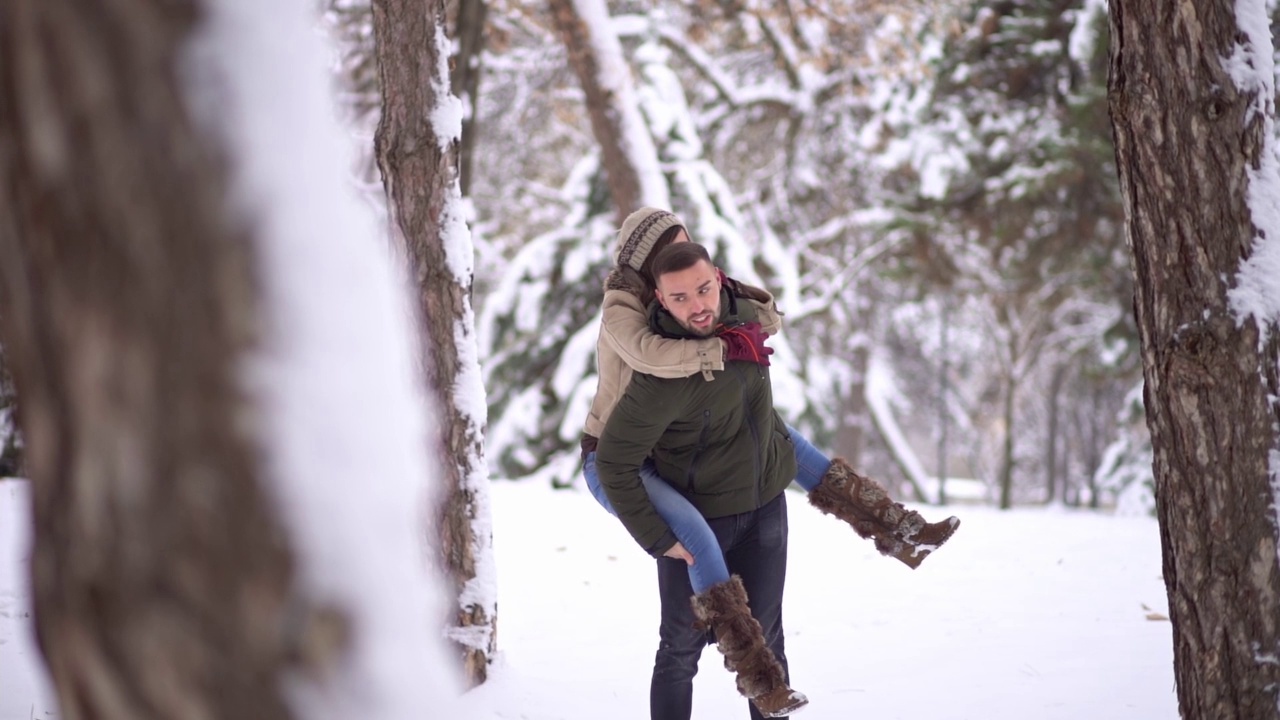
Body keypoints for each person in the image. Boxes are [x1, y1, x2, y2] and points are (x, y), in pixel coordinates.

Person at [594, 240, 807, 719]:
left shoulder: (744, 327)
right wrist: (658, 538)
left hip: (764, 512)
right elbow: (612, 463)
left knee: (768, 642)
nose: (697, 306)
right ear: (659, 299)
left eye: (703, 289)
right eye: (679, 298)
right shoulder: (661, 372)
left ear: (717, 276)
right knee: (680, 651)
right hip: (698, 523)